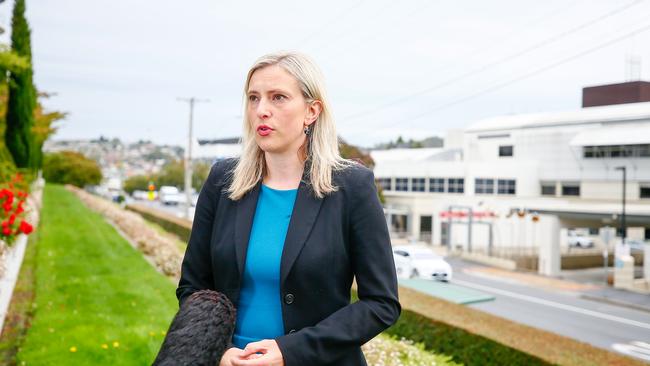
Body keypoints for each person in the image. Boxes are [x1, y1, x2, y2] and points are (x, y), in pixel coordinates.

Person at [176, 51, 400, 366]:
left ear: (311, 111)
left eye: (278, 98)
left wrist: (289, 352)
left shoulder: (351, 187)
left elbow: (381, 303)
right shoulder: (222, 181)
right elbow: (193, 286)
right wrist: (220, 351)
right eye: (253, 98)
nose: (261, 110)